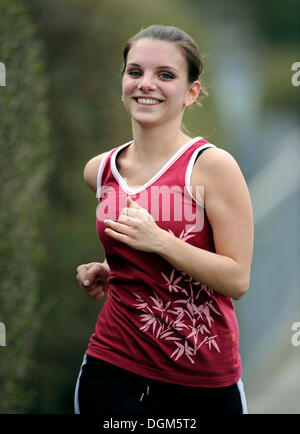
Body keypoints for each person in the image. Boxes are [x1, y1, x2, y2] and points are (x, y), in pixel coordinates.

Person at [74, 24, 253, 416]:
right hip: (112, 368)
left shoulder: (212, 167)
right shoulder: (99, 171)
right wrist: (108, 266)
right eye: (135, 72)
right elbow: (137, 251)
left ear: (191, 93)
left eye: (165, 75)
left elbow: (237, 278)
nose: (146, 84)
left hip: (202, 381)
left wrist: (161, 242)